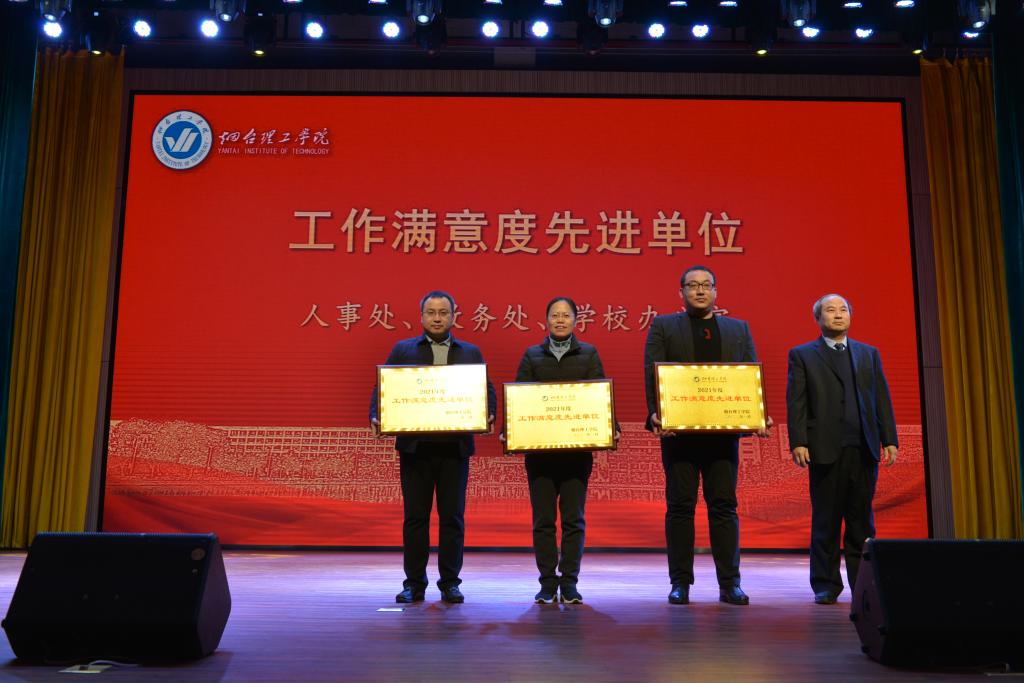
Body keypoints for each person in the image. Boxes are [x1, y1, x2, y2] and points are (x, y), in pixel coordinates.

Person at [643, 265, 769, 606]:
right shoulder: (664, 325)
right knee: (680, 509)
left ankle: (730, 584)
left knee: (724, 507)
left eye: (706, 285)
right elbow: (652, 373)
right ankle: (680, 583)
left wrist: (756, 415)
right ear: (681, 292)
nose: (700, 290)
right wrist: (655, 413)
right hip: (679, 437)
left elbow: (749, 376)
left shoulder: (738, 329)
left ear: (715, 291)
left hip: (722, 439)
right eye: (692, 285)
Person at [370, 290, 496, 604]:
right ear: (422, 316)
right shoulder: (403, 350)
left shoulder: (470, 352)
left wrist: (489, 413)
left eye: (443, 312)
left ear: (454, 316)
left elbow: (486, 389)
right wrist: (376, 414)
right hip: (416, 449)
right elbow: (383, 388)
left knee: (452, 518)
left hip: (455, 448)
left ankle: (450, 583)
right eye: (431, 312)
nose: (437, 318)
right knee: (415, 518)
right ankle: (414, 584)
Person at [786, 294, 898, 605]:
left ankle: (864, 585)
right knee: (826, 520)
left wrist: (889, 438)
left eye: (843, 309)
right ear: (818, 318)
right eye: (830, 310)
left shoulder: (868, 353)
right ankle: (825, 585)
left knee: (862, 522)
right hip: (824, 448)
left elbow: (881, 397)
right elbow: (797, 402)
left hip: (863, 447)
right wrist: (798, 441)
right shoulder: (803, 355)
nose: (838, 315)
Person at [511, 297, 617, 605]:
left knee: (574, 520)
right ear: (546, 320)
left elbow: (599, 395)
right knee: (543, 521)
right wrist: (512, 429)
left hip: (576, 454)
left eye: (565, 315)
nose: (560, 320)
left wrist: (611, 426)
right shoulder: (532, 355)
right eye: (555, 315)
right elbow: (519, 399)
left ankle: (569, 582)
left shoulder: (588, 353)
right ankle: (547, 583)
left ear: (575, 321)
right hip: (540, 455)